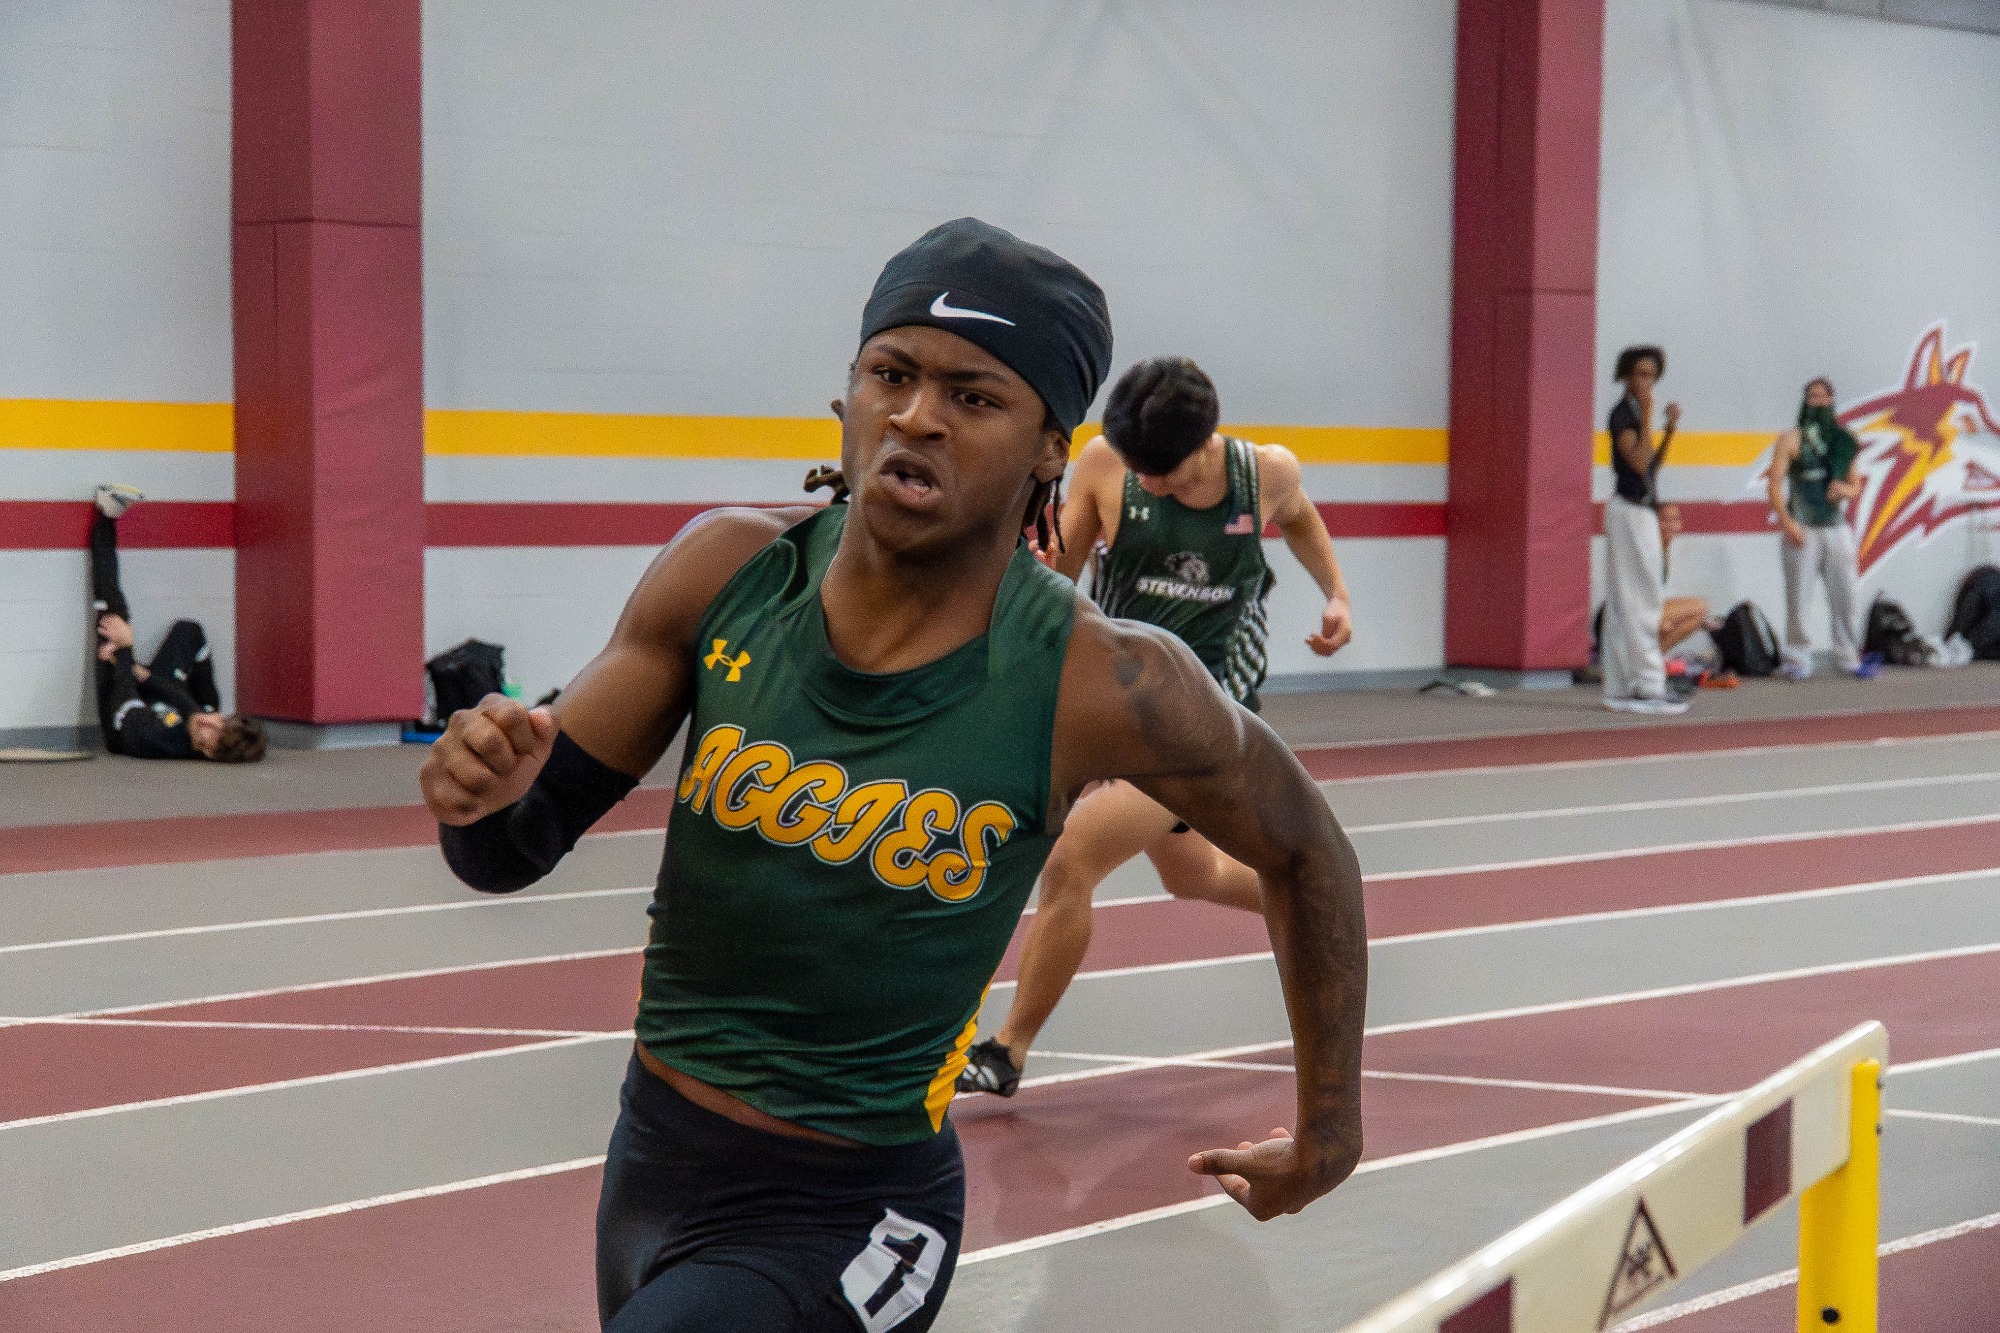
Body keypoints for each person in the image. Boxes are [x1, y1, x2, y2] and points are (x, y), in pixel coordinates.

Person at [420, 219, 1367, 1333]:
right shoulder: (725, 576)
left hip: (854, 1209)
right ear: (847, 404)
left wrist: (1327, 1129)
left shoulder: (1098, 681)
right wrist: (480, 803)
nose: (916, 414)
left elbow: (1306, 847)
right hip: (652, 1164)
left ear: (1049, 451)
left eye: (972, 396)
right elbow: (508, 853)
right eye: (892, 374)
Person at [956, 354, 1353, 1096]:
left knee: (1070, 858)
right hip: (1115, 696)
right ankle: (1314, 897)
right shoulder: (1108, 465)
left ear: (1205, 442)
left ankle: (1007, 1050)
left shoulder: (1263, 474)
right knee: (1193, 874)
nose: (1151, 484)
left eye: (1162, 475)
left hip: (1205, 720)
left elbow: (1299, 519)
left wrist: (1336, 594)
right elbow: (1062, 570)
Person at [88, 485, 266, 763]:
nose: (207, 722)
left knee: (114, 614)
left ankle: (108, 515)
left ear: (208, 752)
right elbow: (181, 702)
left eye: (211, 733)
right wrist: (143, 674)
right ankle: (206, 699)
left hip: (123, 706)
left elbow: (123, 702)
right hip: (153, 693)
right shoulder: (200, 720)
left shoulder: (158, 737)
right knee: (189, 632)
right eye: (217, 720)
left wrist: (123, 652)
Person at [1602, 345, 1687, 714]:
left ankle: (1621, 686)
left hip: (1641, 509)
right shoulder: (1624, 415)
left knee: (1628, 600)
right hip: (1630, 510)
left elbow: (1652, 466)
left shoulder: (1637, 415)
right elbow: (1637, 463)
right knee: (1643, 598)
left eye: (1651, 375)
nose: (1646, 382)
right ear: (1625, 376)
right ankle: (1650, 685)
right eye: (1639, 374)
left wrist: (1668, 430)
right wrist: (1651, 414)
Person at [1766, 377, 1863, 678]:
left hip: (1835, 526)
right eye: (1812, 396)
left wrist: (1843, 490)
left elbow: (1855, 484)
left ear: (1832, 400)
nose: (1817, 401)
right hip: (1802, 525)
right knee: (1798, 594)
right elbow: (1774, 483)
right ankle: (1797, 657)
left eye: (1823, 397)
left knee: (1845, 592)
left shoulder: (1843, 439)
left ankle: (1847, 653)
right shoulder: (1791, 439)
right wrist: (1786, 520)